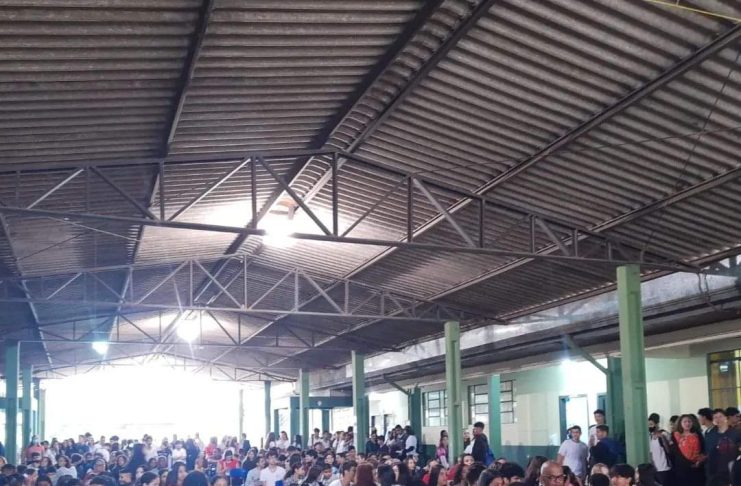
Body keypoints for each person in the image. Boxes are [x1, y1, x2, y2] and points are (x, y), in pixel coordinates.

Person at [705, 408, 739, 486]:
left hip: (731, 470)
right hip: (714, 471)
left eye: (720, 416)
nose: (718, 419)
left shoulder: (735, 433)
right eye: (715, 417)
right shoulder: (710, 434)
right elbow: (708, 452)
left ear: (726, 418)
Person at [646, 414, 671, 486]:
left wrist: (662, 438)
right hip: (654, 468)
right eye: (648, 425)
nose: (650, 426)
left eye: (651, 424)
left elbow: (669, 450)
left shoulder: (664, 434)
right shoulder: (649, 436)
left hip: (664, 467)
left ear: (657, 424)